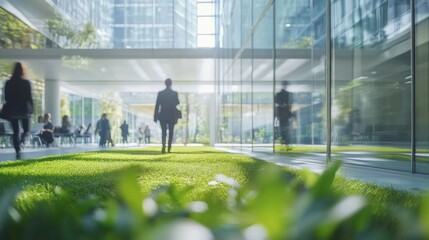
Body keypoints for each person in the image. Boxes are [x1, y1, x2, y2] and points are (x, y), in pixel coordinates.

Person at [2, 62, 34, 158]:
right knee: (26, 130)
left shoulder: (8, 83)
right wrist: (31, 108)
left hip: (12, 110)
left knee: (16, 131)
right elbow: (29, 97)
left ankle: (17, 149)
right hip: (24, 110)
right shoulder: (26, 83)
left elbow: (6, 97)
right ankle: (21, 143)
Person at [154, 78, 180, 153]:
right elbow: (177, 103)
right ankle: (169, 147)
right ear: (171, 84)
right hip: (171, 115)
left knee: (163, 132)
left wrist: (155, 117)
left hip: (163, 115)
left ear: (165, 84)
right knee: (171, 132)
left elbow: (157, 105)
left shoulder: (160, 93)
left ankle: (163, 146)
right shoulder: (174, 93)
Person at [275, 81, 294, 146]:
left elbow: (290, 103)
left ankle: (286, 141)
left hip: (285, 114)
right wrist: (282, 105)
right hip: (282, 114)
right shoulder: (279, 94)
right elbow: (277, 103)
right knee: (283, 127)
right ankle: (284, 140)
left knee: (286, 128)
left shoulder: (288, 94)